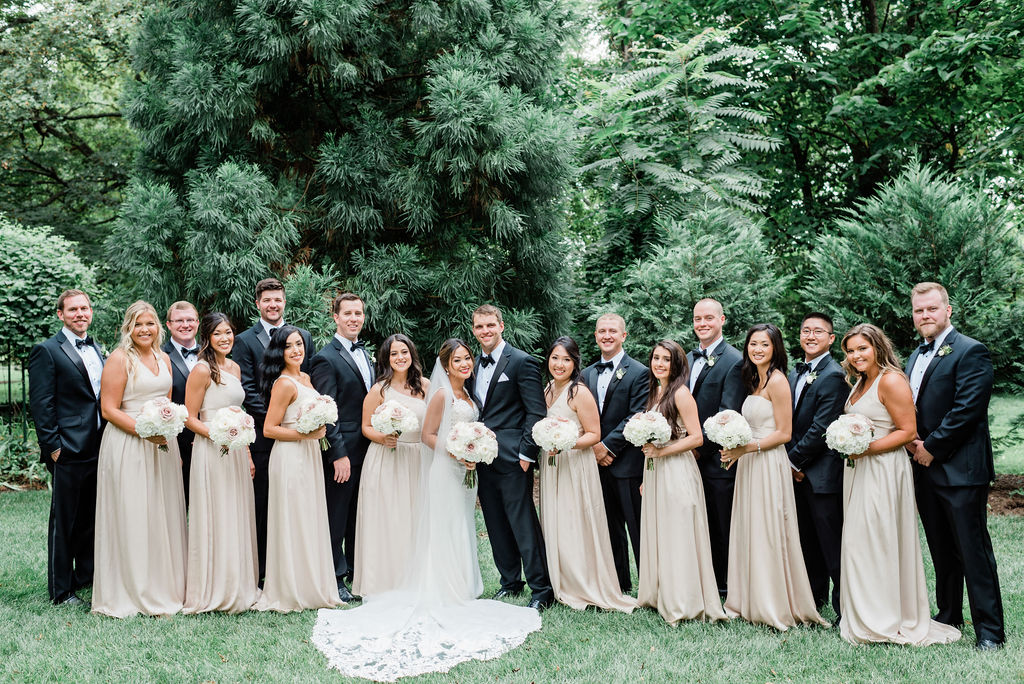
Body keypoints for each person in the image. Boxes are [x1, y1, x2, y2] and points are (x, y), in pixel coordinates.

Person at [310, 339, 541, 681]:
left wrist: (473, 451)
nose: (464, 363)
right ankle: (439, 586)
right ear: (445, 365)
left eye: (467, 358)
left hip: (457, 467)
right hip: (436, 464)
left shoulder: (452, 390)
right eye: (457, 359)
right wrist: (455, 451)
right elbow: (429, 433)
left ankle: (462, 583)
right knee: (437, 526)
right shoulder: (434, 393)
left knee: (455, 526)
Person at [839, 323, 961, 646]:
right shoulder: (859, 381)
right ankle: (865, 612)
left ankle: (885, 617)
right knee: (858, 542)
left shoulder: (891, 380)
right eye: (850, 350)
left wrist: (864, 449)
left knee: (878, 540)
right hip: (859, 469)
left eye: (862, 348)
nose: (855, 355)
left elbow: (907, 431)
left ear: (878, 347)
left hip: (882, 469)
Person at [905, 282, 1004, 650]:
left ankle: (990, 632)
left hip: (961, 469)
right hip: (924, 468)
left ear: (948, 310)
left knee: (972, 550)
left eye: (932, 309)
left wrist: (931, 446)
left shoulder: (970, 351)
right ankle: (947, 615)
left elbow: (968, 409)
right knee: (941, 549)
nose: (925, 316)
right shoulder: (915, 356)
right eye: (919, 310)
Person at [719, 323, 826, 631]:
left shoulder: (778, 380)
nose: (758, 349)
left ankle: (772, 602)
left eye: (764, 344)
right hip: (750, 462)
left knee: (767, 528)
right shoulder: (753, 379)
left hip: (767, 462)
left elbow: (784, 433)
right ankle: (748, 598)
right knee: (750, 527)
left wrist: (746, 449)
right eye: (753, 344)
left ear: (775, 348)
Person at [92, 301, 187, 618]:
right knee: (135, 514)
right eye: (138, 325)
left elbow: (168, 403)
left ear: (158, 327)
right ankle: (134, 589)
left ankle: (164, 585)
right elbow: (109, 409)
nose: (145, 330)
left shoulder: (164, 358)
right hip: (129, 445)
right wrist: (144, 432)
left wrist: (168, 429)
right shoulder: (120, 359)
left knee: (162, 513)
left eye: (150, 324)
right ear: (128, 328)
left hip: (162, 446)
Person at [538, 336, 636, 613]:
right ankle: (562, 579)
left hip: (574, 464)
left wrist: (565, 444)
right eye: (555, 358)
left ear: (575, 363)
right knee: (556, 520)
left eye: (566, 359)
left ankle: (582, 582)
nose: (559, 364)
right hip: (552, 463)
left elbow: (594, 434)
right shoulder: (547, 390)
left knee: (574, 521)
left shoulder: (578, 392)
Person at [470, 305, 553, 610]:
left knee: (522, 523)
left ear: (501, 325)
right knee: (494, 522)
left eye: (490, 325)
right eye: (479, 327)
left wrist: (525, 453)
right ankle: (510, 582)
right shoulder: (472, 364)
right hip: (481, 457)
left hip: (513, 459)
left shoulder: (521, 362)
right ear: (474, 330)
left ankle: (541, 588)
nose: (485, 331)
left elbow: (535, 410)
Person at [232, 277, 315, 581]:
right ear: (258, 304)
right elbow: (247, 387)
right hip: (265, 436)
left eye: (277, 299)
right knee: (266, 502)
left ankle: (300, 564)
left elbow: (308, 379)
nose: (273, 305)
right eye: (267, 300)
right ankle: (266, 571)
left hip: (302, 434)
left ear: (284, 301)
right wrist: (277, 417)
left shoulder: (303, 336)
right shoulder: (244, 340)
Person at [637, 340, 726, 625]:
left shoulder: (681, 393)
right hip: (655, 471)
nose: (659, 364)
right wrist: (645, 475)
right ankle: (661, 593)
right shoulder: (655, 392)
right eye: (656, 358)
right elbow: (649, 441)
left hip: (676, 470)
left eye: (666, 360)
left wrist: (662, 451)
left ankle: (683, 600)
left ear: (677, 365)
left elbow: (696, 438)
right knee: (660, 531)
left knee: (678, 533)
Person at [253, 326, 341, 612]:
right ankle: (291, 587)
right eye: (289, 346)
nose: (296, 350)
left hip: (310, 455)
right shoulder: (285, 384)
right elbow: (269, 429)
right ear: (280, 351)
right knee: (293, 517)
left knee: (308, 517)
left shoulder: (305, 377)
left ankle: (311, 582)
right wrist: (305, 435)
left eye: (300, 344)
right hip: (290, 456)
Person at [28, 289, 104, 607]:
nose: (80, 314)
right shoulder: (46, 350)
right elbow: (41, 402)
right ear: (61, 314)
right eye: (72, 309)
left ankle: (85, 575)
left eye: (84, 308)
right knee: (64, 522)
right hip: (68, 449)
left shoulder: (97, 347)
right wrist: (53, 446)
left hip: (98, 446)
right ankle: (62, 590)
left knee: (89, 517)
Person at [182, 312, 259, 614]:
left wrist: (247, 452)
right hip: (211, 448)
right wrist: (217, 436)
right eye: (218, 334)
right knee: (217, 512)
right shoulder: (202, 370)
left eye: (228, 332)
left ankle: (239, 582)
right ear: (207, 338)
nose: (225, 338)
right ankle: (214, 587)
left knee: (236, 512)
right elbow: (188, 417)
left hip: (237, 450)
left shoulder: (236, 368)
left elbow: (237, 411)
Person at [352, 333, 428, 597]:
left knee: (416, 519)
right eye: (394, 354)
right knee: (389, 519)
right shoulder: (379, 390)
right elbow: (365, 427)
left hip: (417, 459)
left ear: (412, 355)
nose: (400, 358)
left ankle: (418, 578)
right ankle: (386, 580)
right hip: (386, 458)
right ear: (386, 359)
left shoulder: (425, 387)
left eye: (404, 352)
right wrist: (383, 437)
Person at [310, 293, 373, 602]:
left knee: (358, 517)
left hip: (369, 452)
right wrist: (339, 454)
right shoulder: (325, 357)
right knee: (337, 515)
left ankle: (358, 572)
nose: (353, 318)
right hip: (344, 453)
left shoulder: (368, 354)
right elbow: (327, 410)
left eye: (358, 313)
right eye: (347, 313)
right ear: (335, 317)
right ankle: (335, 578)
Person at [580, 313, 649, 594]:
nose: (606, 336)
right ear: (596, 336)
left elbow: (637, 414)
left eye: (612, 331)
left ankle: (649, 583)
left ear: (623, 336)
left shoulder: (640, 372)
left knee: (638, 528)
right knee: (609, 528)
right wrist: (594, 450)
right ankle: (619, 584)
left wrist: (605, 446)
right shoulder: (586, 373)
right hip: (597, 466)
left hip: (628, 463)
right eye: (601, 331)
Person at [786, 313, 847, 618]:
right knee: (807, 541)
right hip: (797, 473)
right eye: (806, 330)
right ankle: (814, 601)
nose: (810, 336)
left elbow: (823, 427)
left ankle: (843, 608)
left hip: (821, 474)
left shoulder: (833, 374)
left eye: (818, 332)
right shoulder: (796, 372)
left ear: (831, 339)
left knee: (831, 543)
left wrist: (792, 461)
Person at [686, 298, 745, 597]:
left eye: (709, 317)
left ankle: (723, 586)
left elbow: (728, 414)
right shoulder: (687, 357)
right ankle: (700, 579)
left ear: (722, 320)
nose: (702, 323)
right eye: (698, 318)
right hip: (685, 457)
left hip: (715, 461)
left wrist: (699, 449)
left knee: (720, 524)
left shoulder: (734, 360)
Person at [162, 300, 200, 506]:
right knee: (175, 506)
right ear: (168, 325)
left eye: (190, 320)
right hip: (177, 442)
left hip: (209, 440)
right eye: (179, 321)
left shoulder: (209, 354)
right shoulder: (159, 355)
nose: (185, 325)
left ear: (197, 323)